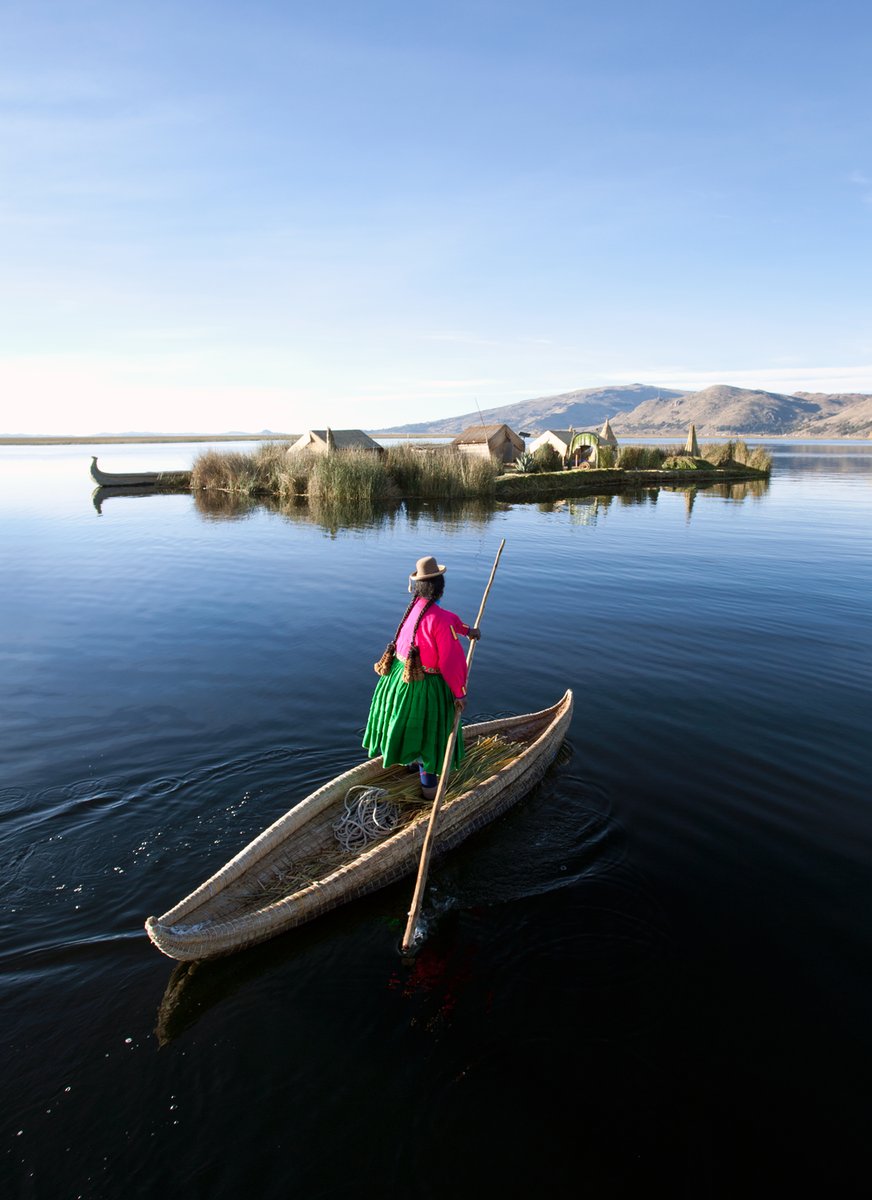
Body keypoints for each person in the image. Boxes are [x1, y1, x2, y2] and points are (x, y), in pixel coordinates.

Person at [363, 555, 480, 800]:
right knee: (430, 736)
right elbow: (451, 662)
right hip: (426, 686)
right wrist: (459, 694)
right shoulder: (440, 618)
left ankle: (410, 764)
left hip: (399, 681)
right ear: (440, 588)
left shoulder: (413, 610)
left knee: (409, 728)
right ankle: (429, 795)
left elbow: (449, 622)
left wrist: (467, 631)